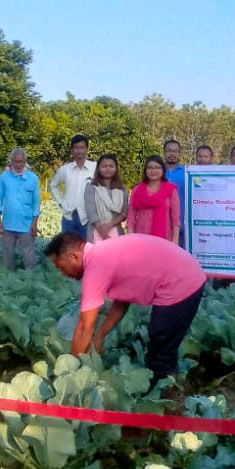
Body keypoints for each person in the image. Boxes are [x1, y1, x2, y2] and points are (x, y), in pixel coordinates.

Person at [47, 230, 207, 387]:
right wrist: (101, 335)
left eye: (60, 267)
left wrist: (70, 373)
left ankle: (161, 408)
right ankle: (166, 400)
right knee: (164, 350)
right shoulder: (103, 252)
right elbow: (122, 300)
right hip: (188, 274)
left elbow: (84, 328)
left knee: (160, 352)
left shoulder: (96, 266)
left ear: (74, 256)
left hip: (181, 283)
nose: (62, 273)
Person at [0, 147, 41, 270]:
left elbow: (36, 202)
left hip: (26, 225)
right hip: (8, 225)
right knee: (7, 257)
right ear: (12, 161)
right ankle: (8, 280)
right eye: (16, 161)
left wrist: (34, 223)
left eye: (21, 161)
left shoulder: (33, 178)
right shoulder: (4, 177)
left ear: (25, 161)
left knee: (29, 257)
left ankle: (30, 280)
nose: (19, 164)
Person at [50, 135, 98, 241]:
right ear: (72, 150)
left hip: (88, 218)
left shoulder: (95, 167)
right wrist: (61, 203)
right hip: (69, 217)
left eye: (82, 148)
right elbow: (53, 185)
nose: (79, 151)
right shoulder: (66, 169)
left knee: (87, 249)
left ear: (87, 149)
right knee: (68, 249)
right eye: (76, 148)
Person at [130, 155, 181, 243]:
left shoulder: (170, 190)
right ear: (145, 170)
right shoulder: (138, 190)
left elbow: (175, 218)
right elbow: (131, 217)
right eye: (150, 168)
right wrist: (130, 237)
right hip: (141, 238)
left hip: (165, 238)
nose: (153, 171)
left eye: (157, 167)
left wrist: (175, 239)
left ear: (163, 170)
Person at [84, 153, 129, 242]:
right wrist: (101, 229)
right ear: (98, 168)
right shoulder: (91, 186)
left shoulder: (122, 188)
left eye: (111, 166)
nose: (108, 169)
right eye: (104, 166)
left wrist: (108, 226)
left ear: (116, 169)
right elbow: (90, 211)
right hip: (95, 230)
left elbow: (124, 213)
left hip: (115, 229)